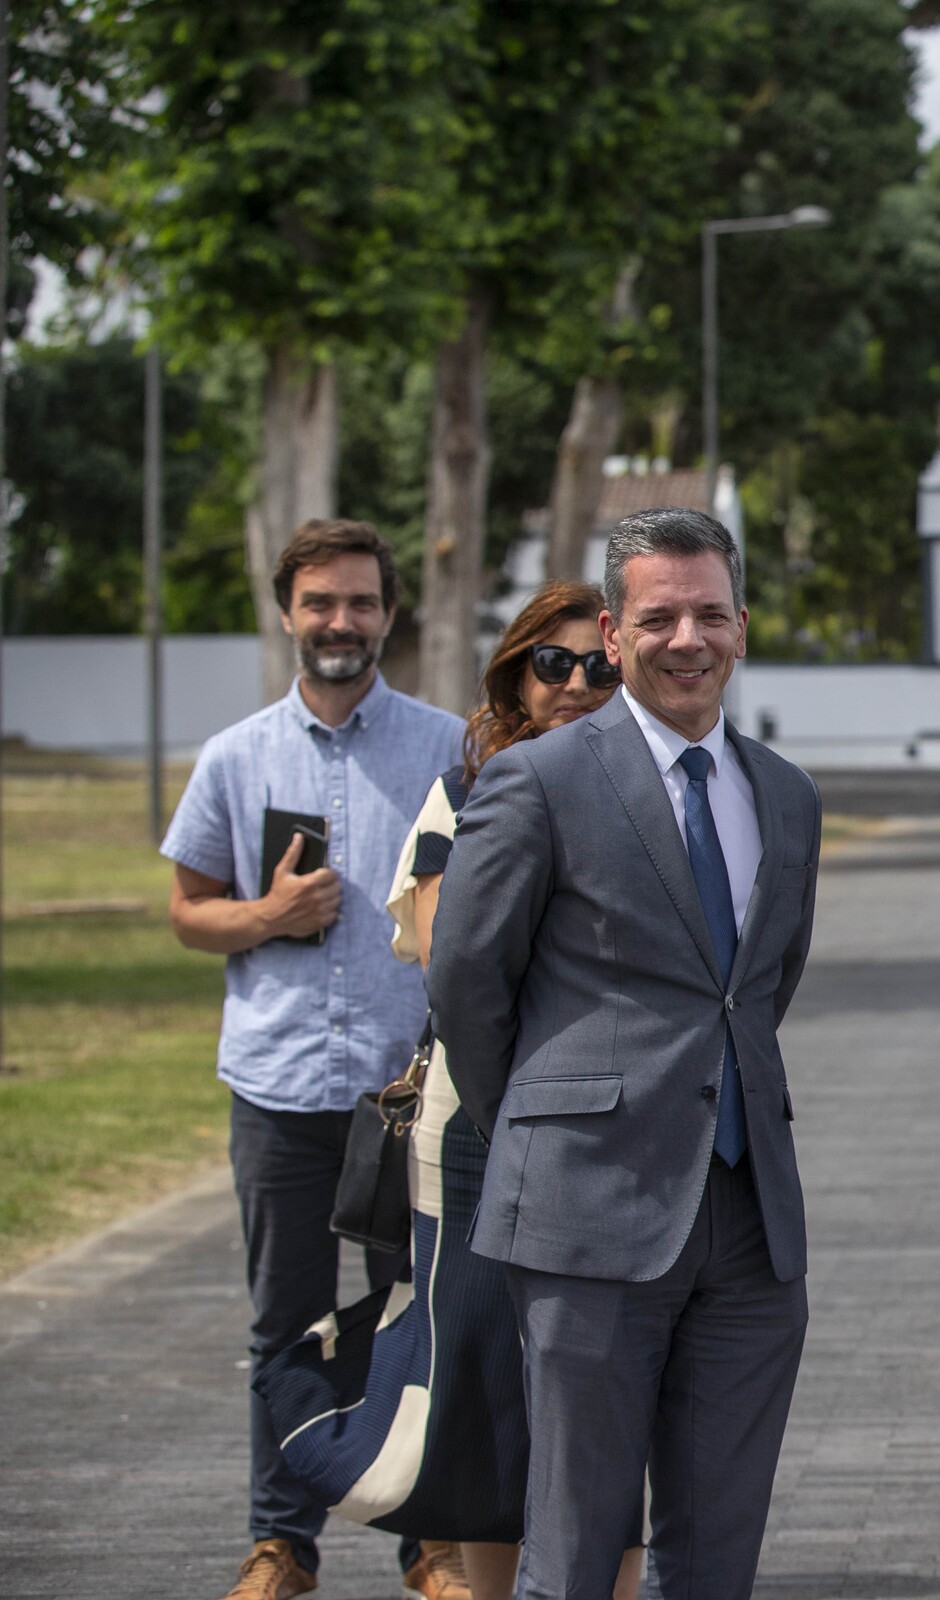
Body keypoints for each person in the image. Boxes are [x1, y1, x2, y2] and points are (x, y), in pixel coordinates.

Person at [428, 509, 823, 1600]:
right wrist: (547, 1127)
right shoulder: (538, 780)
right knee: (576, 1543)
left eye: (709, 614)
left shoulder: (786, 794)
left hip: (750, 1221)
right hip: (587, 1212)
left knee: (716, 1552)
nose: (686, 638)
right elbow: (467, 982)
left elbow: (760, 989)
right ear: (612, 632)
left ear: (741, 625)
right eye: (659, 618)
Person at [161, 520, 465, 1600]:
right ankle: (280, 1545)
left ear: (389, 613)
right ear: (287, 612)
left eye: (361, 602)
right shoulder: (234, 756)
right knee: (280, 1325)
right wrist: (268, 914)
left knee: (420, 1320)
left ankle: (432, 1545)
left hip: (406, 1093)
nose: (342, 621)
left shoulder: (446, 746)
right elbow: (188, 912)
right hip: (280, 1088)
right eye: (321, 602)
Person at [379, 583, 643, 1600]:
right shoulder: (462, 796)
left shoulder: (654, 794)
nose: (576, 683)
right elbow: (451, 958)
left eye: (599, 666)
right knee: (491, 1401)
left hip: (616, 1133)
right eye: (553, 662)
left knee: (611, 1395)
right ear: (514, 674)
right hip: (474, 1132)